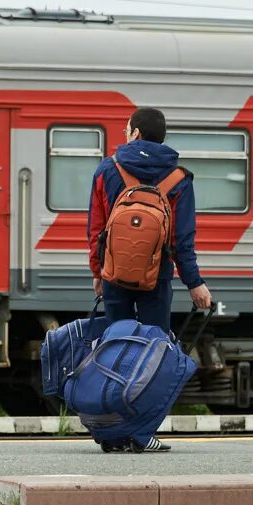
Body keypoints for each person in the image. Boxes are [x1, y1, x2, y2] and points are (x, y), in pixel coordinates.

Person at [86, 107, 212, 452]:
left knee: (115, 351)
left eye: (127, 129)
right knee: (155, 354)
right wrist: (195, 283)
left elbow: (96, 230)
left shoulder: (107, 170)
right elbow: (181, 241)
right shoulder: (179, 179)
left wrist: (98, 272)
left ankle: (112, 433)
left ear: (137, 133)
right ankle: (142, 433)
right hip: (156, 278)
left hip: (115, 275)